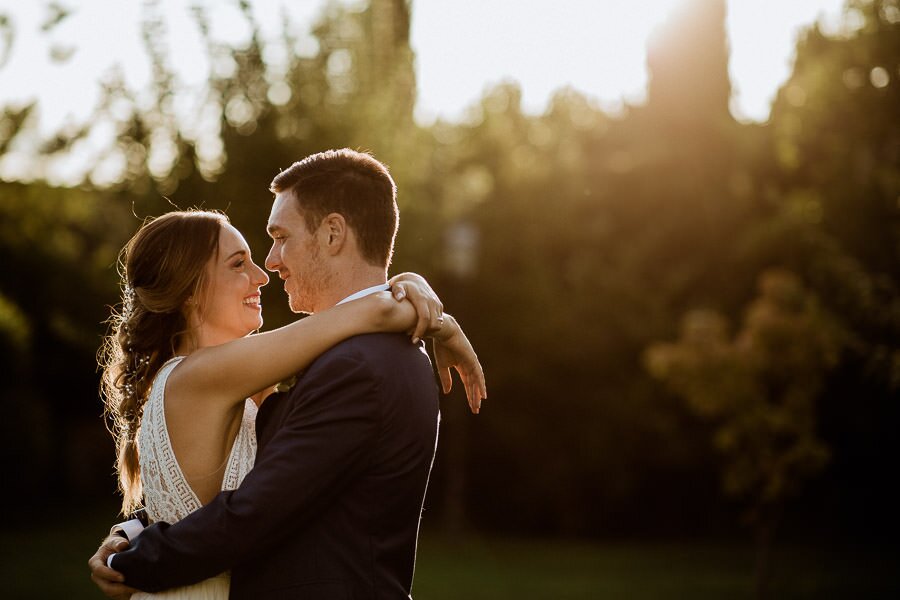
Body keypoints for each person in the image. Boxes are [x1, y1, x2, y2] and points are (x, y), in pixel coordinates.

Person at [89, 149, 486, 599]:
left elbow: (254, 511)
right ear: (189, 290)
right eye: (240, 263)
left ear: (333, 233)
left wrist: (131, 556)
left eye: (280, 237)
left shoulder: (355, 365)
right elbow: (227, 492)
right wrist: (428, 310)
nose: (268, 266)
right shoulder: (308, 356)